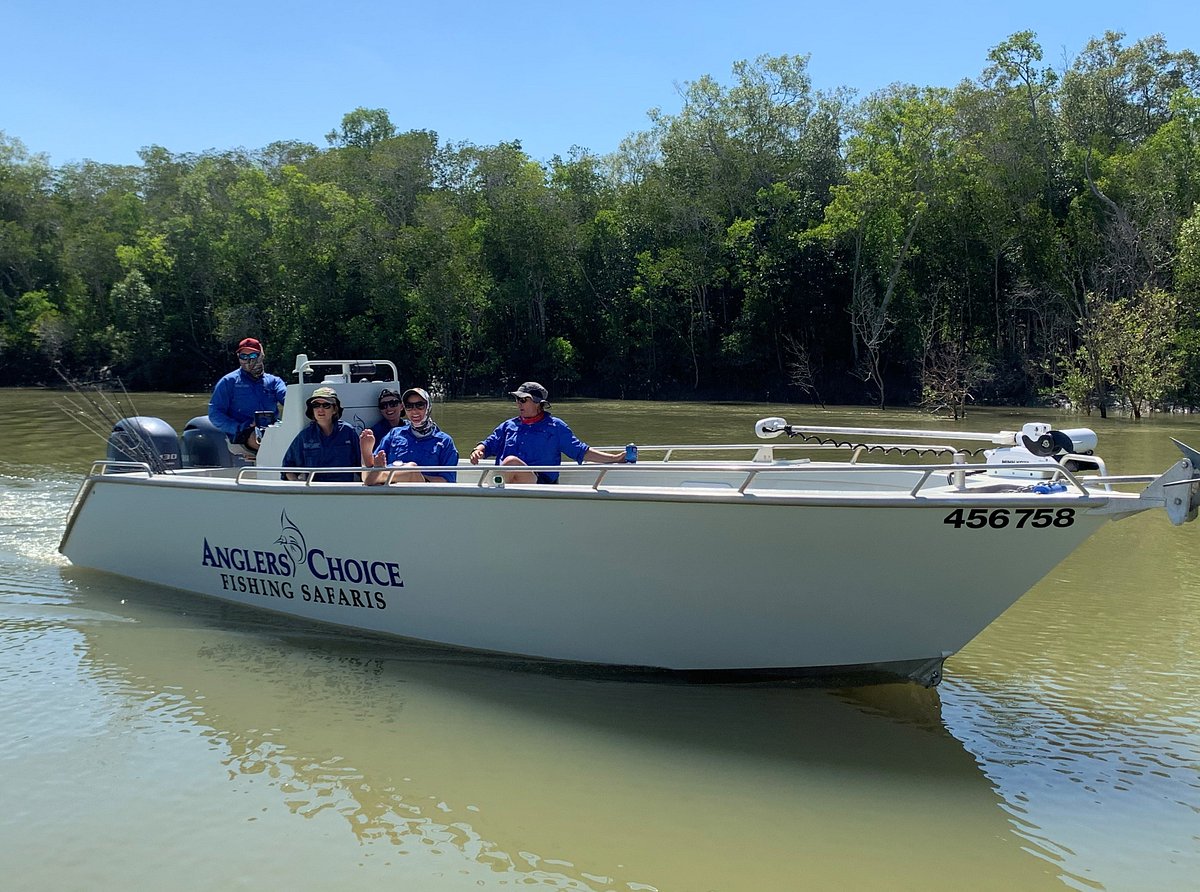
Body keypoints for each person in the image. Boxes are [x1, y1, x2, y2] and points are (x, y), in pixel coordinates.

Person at [469, 381, 626, 483]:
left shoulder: (555, 427)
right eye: (517, 400)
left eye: (523, 400)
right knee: (508, 466)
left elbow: (581, 451)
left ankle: (493, 502)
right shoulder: (508, 426)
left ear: (538, 403)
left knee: (511, 462)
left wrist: (615, 458)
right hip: (505, 482)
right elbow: (488, 444)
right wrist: (478, 451)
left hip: (539, 485)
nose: (518, 404)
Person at [208, 337, 288, 455]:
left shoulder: (274, 381)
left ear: (261, 356)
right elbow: (215, 414)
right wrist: (239, 427)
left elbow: (289, 400)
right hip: (242, 433)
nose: (248, 360)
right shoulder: (228, 381)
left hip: (273, 429)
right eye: (243, 356)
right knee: (263, 441)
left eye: (252, 356)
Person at [361, 387, 458, 483]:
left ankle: (379, 476)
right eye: (409, 406)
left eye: (420, 405)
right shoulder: (394, 434)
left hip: (424, 494)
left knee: (412, 469)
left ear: (428, 406)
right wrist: (366, 452)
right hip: (390, 493)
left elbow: (448, 480)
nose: (414, 410)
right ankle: (378, 475)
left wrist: (416, 477)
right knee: (371, 471)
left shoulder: (444, 441)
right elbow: (373, 465)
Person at [282, 387, 362, 482]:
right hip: (315, 493)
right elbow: (288, 467)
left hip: (344, 491)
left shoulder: (348, 431)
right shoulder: (305, 436)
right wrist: (298, 487)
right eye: (316, 405)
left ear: (335, 409)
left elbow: (361, 464)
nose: (320, 409)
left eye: (326, 405)